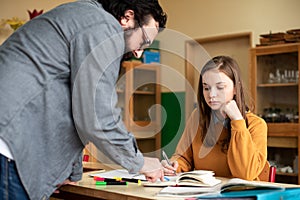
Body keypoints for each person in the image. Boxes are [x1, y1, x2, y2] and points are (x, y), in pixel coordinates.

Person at [0, 0, 167, 199]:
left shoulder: (83, 17)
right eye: (144, 40)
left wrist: (69, 172)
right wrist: (139, 161)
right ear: (127, 18)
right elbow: (97, 116)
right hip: (10, 143)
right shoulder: (104, 27)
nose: (139, 52)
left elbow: (77, 106)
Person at [163, 55, 269, 181]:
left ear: (235, 88)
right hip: (205, 193)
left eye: (220, 87)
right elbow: (184, 158)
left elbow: (246, 174)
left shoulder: (256, 124)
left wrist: (237, 121)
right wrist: (174, 165)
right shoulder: (197, 117)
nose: (211, 95)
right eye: (206, 88)